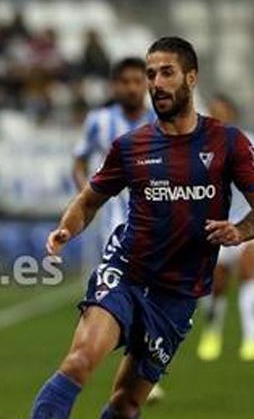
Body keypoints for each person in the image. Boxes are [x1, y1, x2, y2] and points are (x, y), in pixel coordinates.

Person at [29, 36, 254, 419]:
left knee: (126, 404)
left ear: (191, 78)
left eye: (166, 73)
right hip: (127, 273)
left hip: (178, 293)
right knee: (80, 360)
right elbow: (89, 200)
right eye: (151, 74)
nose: (156, 83)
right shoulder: (131, 146)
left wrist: (240, 231)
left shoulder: (228, 142)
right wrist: (67, 228)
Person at [71, 56, 162, 402]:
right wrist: (87, 195)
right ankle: (100, 356)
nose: (132, 88)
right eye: (126, 82)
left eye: (138, 81)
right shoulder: (99, 121)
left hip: (155, 223)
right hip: (112, 223)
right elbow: (79, 160)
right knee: (113, 293)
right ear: (115, 86)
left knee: (150, 296)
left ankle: (136, 369)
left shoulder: (159, 120)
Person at [196, 95, 254, 362]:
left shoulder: (252, 142)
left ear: (232, 114)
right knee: (217, 281)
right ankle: (212, 331)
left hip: (249, 219)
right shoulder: (199, 146)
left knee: (248, 269)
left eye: (221, 111)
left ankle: (252, 339)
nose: (217, 116)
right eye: (213, 112)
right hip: (216, 223)